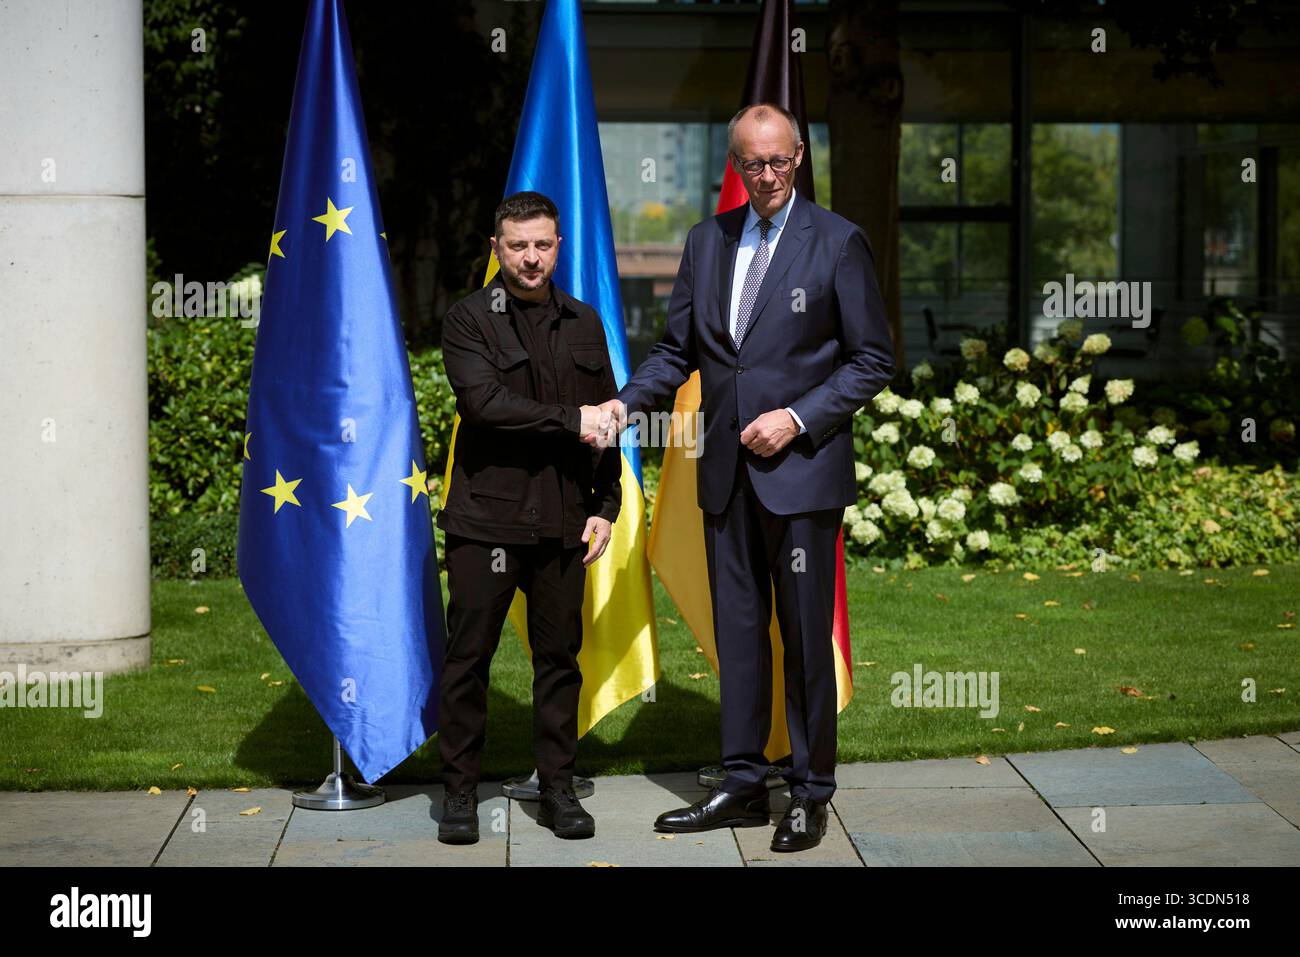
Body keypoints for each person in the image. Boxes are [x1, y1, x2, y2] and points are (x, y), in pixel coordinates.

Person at [586, 103, 894, 852]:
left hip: (802, 478)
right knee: (741, 639)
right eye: (752, 163)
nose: (767, 175)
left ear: (800, 156)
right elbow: (677, 351)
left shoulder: (838, 242)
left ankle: (811, 792)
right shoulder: (707, 240)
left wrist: (798, 417)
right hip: (724, 477)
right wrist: (625, 404)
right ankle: (744, 783)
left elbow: (873, 360)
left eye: (779, 161)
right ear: (736, 165)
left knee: (805, 641)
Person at [436, 190, 621, 843]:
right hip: (486, 521)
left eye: (542, 244)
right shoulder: (468, 319)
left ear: (558, 246)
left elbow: (606, 421)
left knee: (560, 661)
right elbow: (485, 405)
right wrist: (573, 420)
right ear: (497, 248)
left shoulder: (584, 321)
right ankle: (459, 793)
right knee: (468, 660)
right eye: (518, 246)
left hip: (564, 520)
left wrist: (606, 506)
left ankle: (558, 790)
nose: (531, 257)